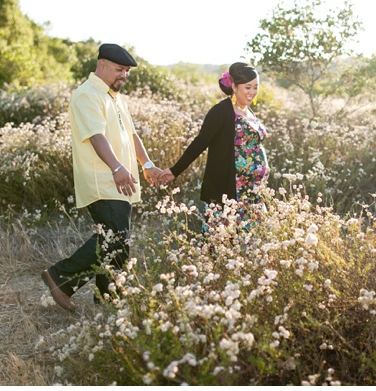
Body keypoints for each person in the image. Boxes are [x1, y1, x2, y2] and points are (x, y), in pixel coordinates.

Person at [41, 43, 163, 312]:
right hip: (103, 179)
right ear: (102, 65)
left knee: (116, 240)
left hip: (122, 181)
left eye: (127, 71)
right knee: (115, 237)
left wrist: (147, 164)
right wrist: (117, 167)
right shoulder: (87, 95)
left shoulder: (115, 97)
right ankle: (60, 277)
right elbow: (96, 136)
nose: (124, 75)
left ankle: (108, 300)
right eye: (120, 69)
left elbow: (131, 136)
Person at [159, 62, 269, 231]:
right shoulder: (221, 112)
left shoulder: (248, 112)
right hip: (231, 191)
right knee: (223, 241)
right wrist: (175, 170)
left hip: (253, 191)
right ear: (234, 86)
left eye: (256, 87)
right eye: (248, 87)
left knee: (253, 242)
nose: (252, 92)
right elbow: (199, 143)